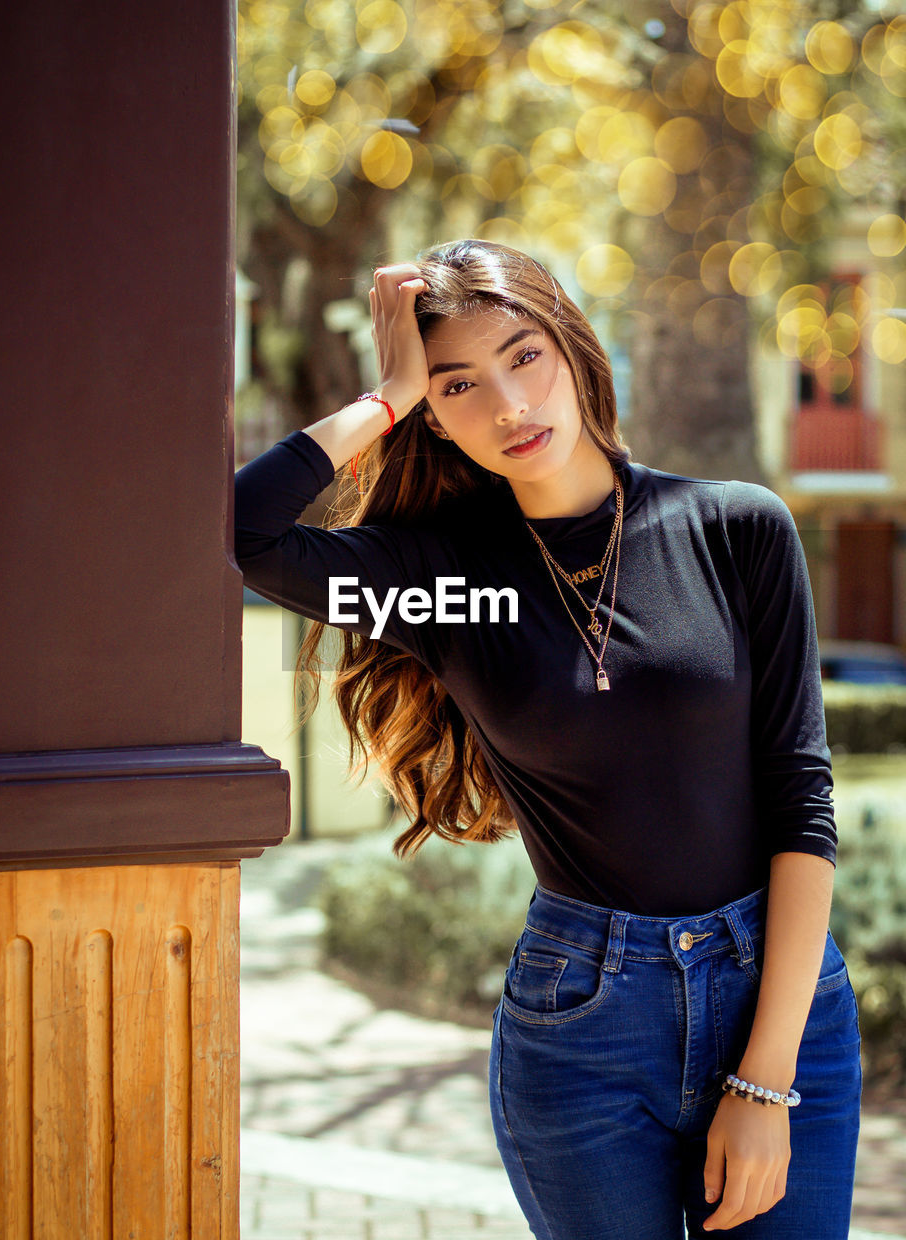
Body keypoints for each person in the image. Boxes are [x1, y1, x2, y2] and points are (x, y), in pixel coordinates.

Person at [233, 239, 862, 1239]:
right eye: (459, 384)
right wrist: (386, 393)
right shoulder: (447, 584)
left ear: (573, 347)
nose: (509, 406)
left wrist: (767, 1077)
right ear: (435, 414)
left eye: (524, 356)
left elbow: (802, 800)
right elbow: (242, 531)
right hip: (587, 1028)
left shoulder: (736, 527)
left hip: (779, 1005)